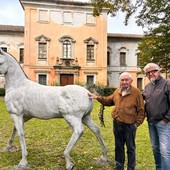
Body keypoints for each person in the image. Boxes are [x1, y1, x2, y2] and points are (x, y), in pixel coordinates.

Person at [88, 72, 145, 170]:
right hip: (117, 124)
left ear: (131, 81)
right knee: (118, 147)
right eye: (122, 80)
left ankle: (131, 168)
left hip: (130, 125)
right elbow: (109, 100)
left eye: (126, 80)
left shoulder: (136, 92)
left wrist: (136, 124)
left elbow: (141, 110)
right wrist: (97, 97)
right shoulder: (117, 91)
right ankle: (119, 167)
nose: (124, 82)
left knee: (130, 149)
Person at [142, 63, 170, 170]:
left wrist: (166, 119)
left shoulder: (167, 84)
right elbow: (144, 101)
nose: (151, 74)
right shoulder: (148, 86)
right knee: (155, 149)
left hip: (164, 123)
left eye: (153, 71)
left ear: (158, 71)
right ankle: (159, 168)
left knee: (165, 151)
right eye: (148, 73)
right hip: (151, 122)